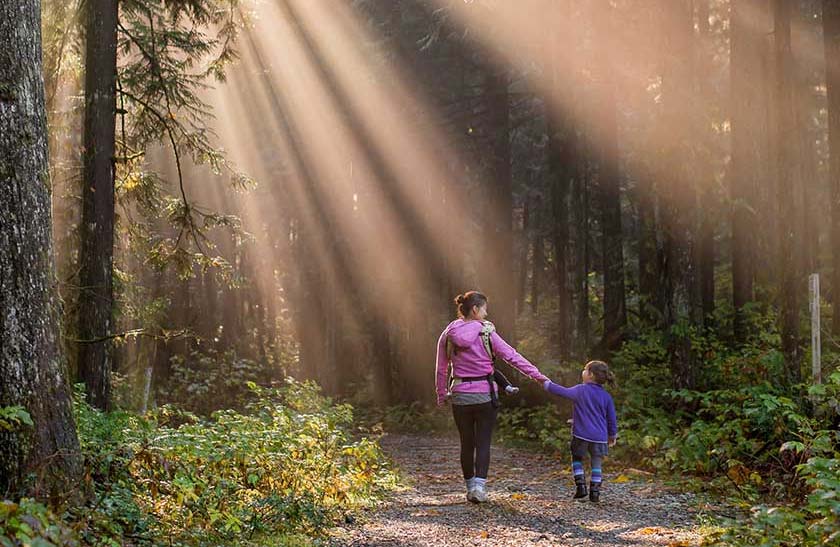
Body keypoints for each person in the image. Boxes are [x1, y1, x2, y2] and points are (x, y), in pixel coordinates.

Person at [435, 291, 548, 503]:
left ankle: (469, 488)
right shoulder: (486, 332)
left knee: (466, 443)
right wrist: (538, 377)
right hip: (485, 395)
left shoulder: (448, 333)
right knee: (483, 442)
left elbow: (441, 368)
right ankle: (480, 488)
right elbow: (512, 356)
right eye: (485, 308)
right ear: (476, 309)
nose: (486, 313)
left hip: (460, 394)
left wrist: (442, 394)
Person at [543, 360, 617, 503]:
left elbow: (562, 392)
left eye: (585, 369)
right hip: (600, 437)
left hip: (581, 435)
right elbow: (611, 419)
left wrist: (546, 384)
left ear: (590, 375)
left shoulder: (580, 390)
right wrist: (612, 435)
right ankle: (595, 492)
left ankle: (581, 486)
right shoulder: (606, 396)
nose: (583, 372)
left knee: (577, 458)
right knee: (596, 462)